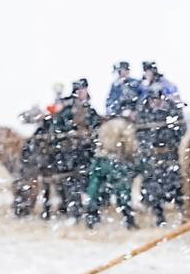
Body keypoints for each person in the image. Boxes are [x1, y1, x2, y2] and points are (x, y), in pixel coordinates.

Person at [47, 78, 102, 216]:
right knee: (72, 184)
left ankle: (91, 211)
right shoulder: (67, 110)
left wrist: (92, 136)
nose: (82, 92)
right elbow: (57, 127)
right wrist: (69, 134)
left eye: (84, 89)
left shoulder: (90, 110)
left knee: (90, 183)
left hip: (86, 152)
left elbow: (97, 126)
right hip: (69, 153)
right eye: (80, 90)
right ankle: (75, 213)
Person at [85, 102, 140, 229]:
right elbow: (130, 146)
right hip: (115, 161)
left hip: (100, 160)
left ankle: (91, 218)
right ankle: (129, 220)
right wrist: (131, 159)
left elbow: (97, 142)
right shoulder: (125, 126)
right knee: (122, 190)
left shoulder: (105, 125)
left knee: (95, 189)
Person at [136, 89, 186, 226]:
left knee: (177, 186)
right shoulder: (145, 115)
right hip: (154, 158)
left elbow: (181, 131)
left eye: (158, 99)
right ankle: (159, 217)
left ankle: (183, 214)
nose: (156, 102)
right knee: (153, 188)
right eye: (153, 100)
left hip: (171, 156)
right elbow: (140, 136)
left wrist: (171, 138)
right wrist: (149, 146)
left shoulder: (172, 112)